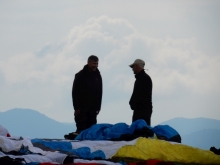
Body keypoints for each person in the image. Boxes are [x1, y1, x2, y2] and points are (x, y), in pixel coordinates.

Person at [72, 55, 102, 135]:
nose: (95, 65)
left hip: (93, 108)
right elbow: (75, 92)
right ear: (88, 63)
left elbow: (100, 91)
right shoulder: (80, 75)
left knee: (91, 129)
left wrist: (98, 106)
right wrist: (76, 107)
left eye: (96, 63)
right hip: (82, 108)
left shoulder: (98, 75)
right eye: (93, 63)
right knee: (81, 128)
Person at [129, 59, 153, 126]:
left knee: (140, 131)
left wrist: (133, 103)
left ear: (137, 66)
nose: (132, 69)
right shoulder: (142, 78)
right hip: (141, 110)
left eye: (133, 67)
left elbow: (141, 95)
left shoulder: (143, 79)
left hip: (142, 111)